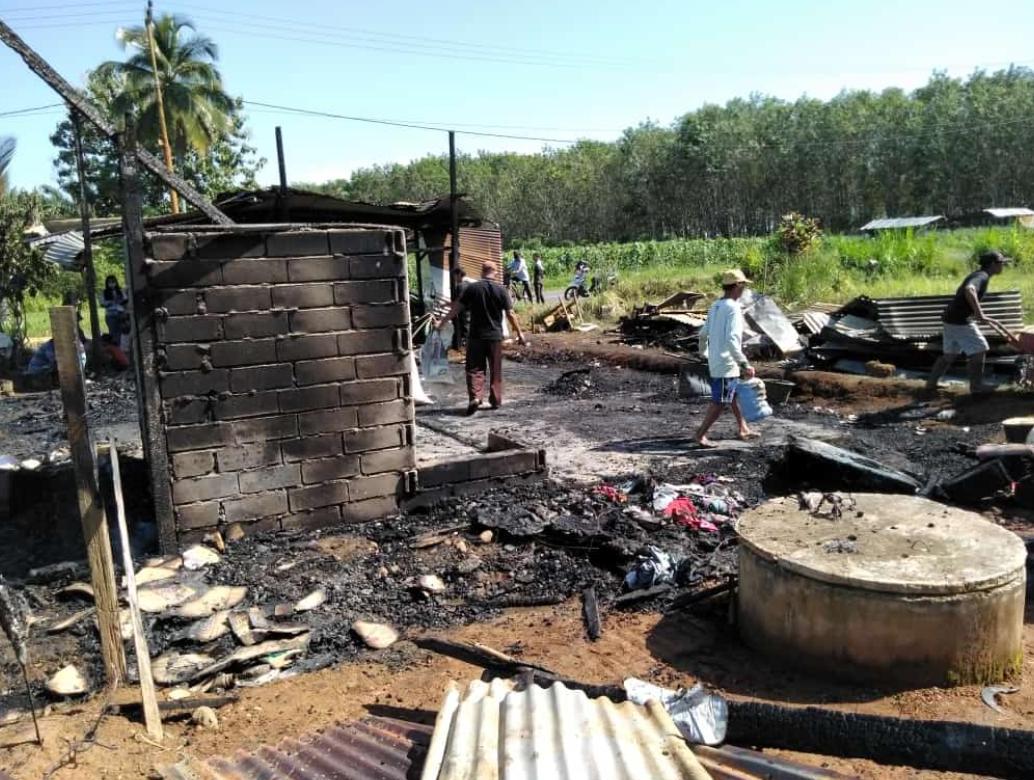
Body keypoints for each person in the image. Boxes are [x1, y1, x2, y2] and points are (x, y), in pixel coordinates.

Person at [437, 260, 526, 415]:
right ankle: (495, 399)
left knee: (474, 368)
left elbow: (457, 307)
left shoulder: (473, 288)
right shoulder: (501, 290)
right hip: (494, 336)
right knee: (495, 369)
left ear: (482, 271)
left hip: (476, 336)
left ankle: (476, 397)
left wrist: (442, 323)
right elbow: (510, 314)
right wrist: (520, 333)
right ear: (495, 271)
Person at [925, 250, 1010, 394]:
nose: (1003, 266)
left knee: (950, 355)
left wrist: (977, 313)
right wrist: (979, 313)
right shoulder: (981, 276)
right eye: (1001, 263)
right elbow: (969, 290)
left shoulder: (980, 275)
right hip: (959, 320)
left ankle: (931, 384)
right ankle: (977, 387)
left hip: (951, 318)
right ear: (992, 265)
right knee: (980, 348)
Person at [694, 269, 756, 448]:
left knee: (733, 394)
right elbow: (732, 340)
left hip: (716, 360)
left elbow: (703, 334)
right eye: (743, 285)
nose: (744, 289)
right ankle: (700, 434)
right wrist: (744, 363)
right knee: (721, 402)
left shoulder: (716, 305)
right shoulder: (733, 308)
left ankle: (743, 428)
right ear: (737, 286)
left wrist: (703, 353)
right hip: (726, 363)